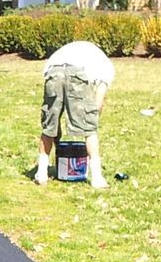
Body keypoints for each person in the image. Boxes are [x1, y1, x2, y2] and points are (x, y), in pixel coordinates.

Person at [36, 39, 114, 189]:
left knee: (49, 126)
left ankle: (41, 173)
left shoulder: (68, 50)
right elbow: (98, 103)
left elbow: (53, 119)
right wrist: (91, 117)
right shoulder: (107, 67)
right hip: (78, 74)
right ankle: (97, 178)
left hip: (53, 72)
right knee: (90, 129)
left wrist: (57, 136)